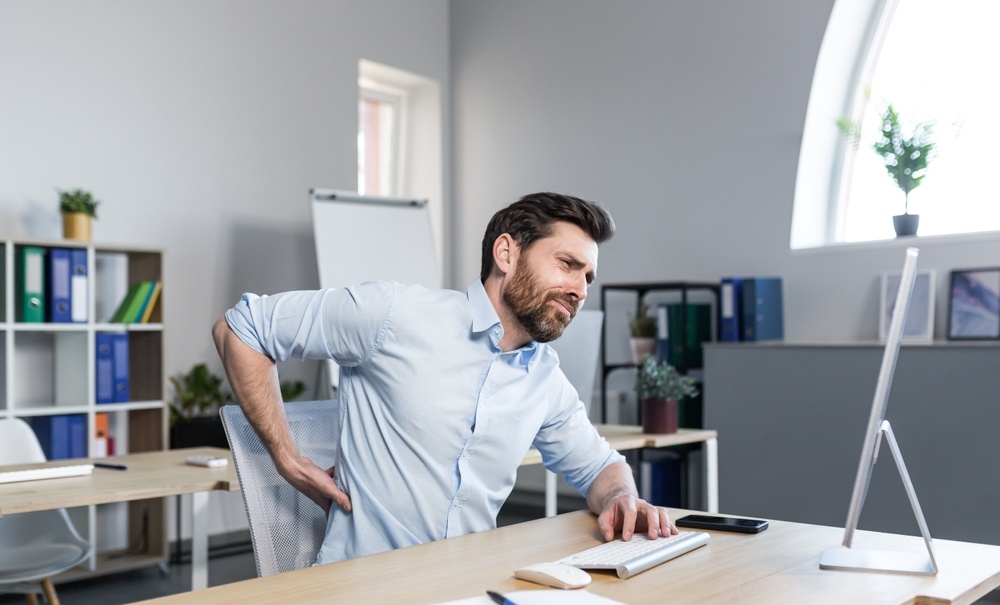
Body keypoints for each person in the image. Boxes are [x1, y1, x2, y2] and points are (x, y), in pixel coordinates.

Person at [212, 192, 678, 565]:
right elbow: (242, 327)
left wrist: (620, 497)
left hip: (469, 592)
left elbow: (600, 467)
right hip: (363, 590)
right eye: (567, 265)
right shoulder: (395, 315)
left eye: (589, 278)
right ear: (506, 253)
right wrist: (287, 458)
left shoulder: (544, 379)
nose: (580, 290)